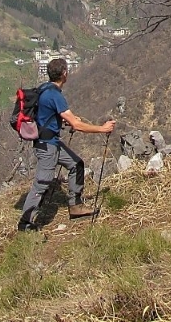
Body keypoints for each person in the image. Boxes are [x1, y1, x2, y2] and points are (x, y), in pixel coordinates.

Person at [17, 57, 115, 232]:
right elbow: (77, 125)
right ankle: (26, 224)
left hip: (49, 142)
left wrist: (64, 122)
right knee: (42, 182)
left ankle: (76, 206)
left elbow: (46, 116)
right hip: (47, 146)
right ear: (64, 74)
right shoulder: (55, 94)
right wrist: (102, 129)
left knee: (76, 164)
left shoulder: (44, 89)